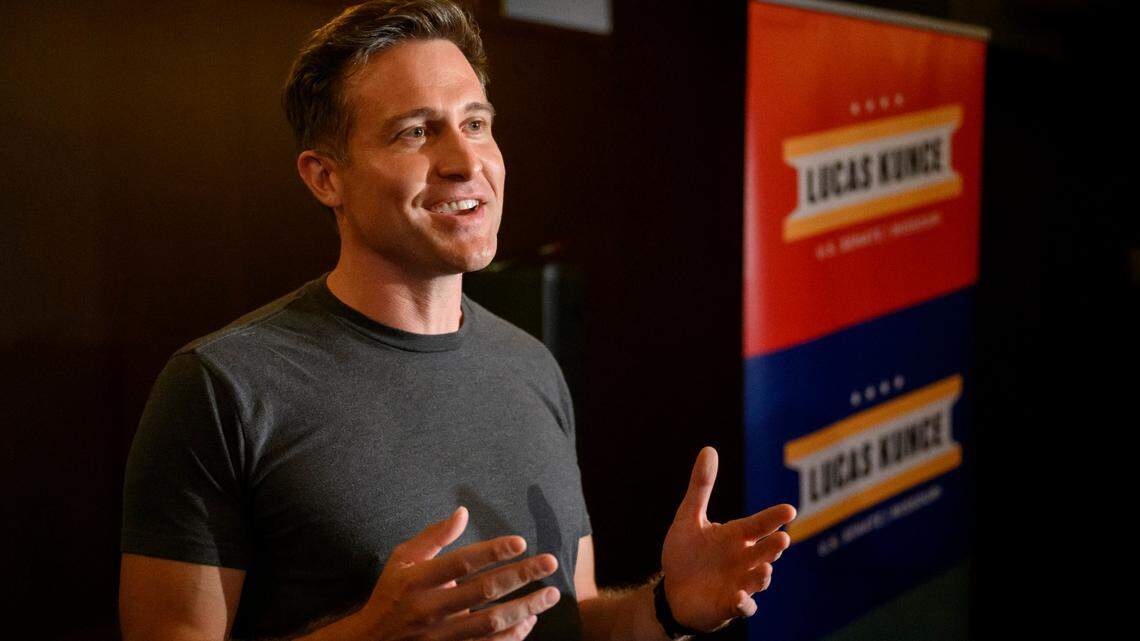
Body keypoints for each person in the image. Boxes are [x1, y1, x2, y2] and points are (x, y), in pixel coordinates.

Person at [118, 2, 796, 640]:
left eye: (476, 123)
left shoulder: (531, 364)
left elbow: (572, 620)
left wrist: (664, 606)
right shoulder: (221, 385)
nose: (466, 161)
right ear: (326, 177)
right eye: (415, 132)